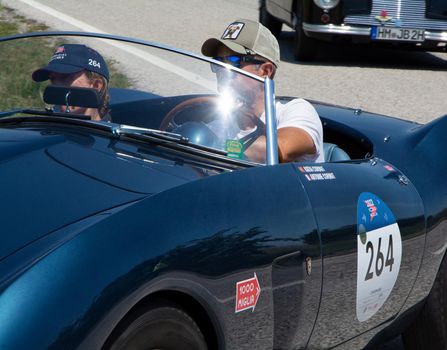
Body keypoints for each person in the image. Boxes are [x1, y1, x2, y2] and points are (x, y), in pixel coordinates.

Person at [201, 19, 324, 163]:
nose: (222, 71)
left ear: (265, 71)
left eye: (233, 61)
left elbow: (277, 150)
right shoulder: (219, 125)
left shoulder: (295, 111)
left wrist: (211, 147)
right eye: (218, 62)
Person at [32, 44, 111, 121]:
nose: (57, 85)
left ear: (96, 86)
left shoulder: (111, 133)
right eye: (53, 78)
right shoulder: (44, 128)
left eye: (66, 77)